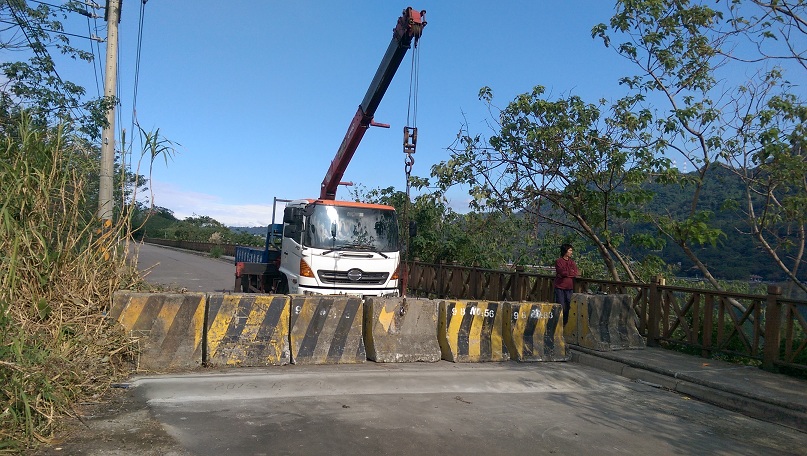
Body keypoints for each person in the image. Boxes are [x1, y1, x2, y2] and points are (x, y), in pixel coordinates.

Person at [554, 243, 579, 326]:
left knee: (569, 306)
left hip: (569, 287)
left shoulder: (572, 262)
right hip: (560, 287)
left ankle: (565, 324)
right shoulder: (559, 261)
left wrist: (567, 273)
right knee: (560, 306)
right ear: (565, 251)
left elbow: (575, 272)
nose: (571, 252)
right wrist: (568, 273)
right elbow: (561, 272)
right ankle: (558, 323)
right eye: (570, 250)